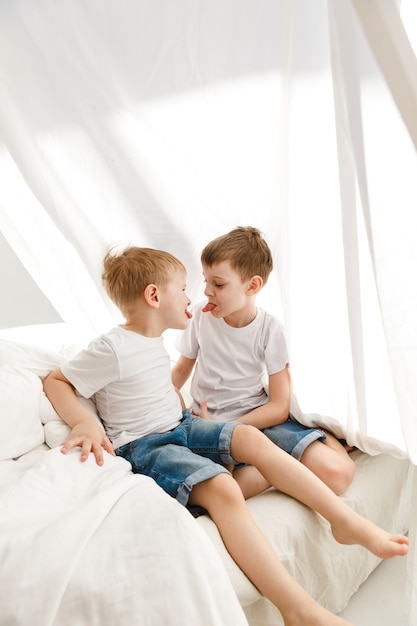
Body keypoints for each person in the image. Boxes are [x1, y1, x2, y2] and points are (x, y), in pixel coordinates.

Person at [43, 245, 408, 626]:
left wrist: (181, 407)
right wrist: (85, 424)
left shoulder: (156, 339)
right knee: (223, 489)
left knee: (250, 439)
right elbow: (58, 379)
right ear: (154, 296)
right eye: (183, 289)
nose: (191, 297)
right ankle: (297, 609)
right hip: (146, 446)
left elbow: (153, 389)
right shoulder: (111, 347)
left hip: (181, 425)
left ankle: (343, 521)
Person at [172, 226, 355, 498]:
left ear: (252, 285)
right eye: (206, 281)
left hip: (257, 421)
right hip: (210, 426)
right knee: (221, 491)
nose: (207, 291)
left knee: (339, 475)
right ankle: (277, 467)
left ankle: (313, 444)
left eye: (218, 284)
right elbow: (177, 376)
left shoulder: (270, 330)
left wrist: (236, 426)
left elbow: (279, 406)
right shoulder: (199, 317)